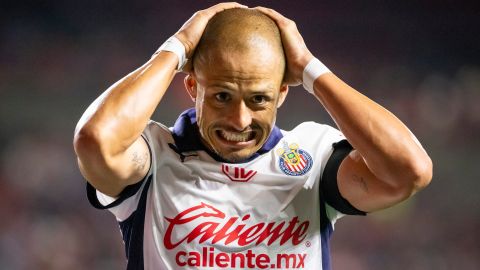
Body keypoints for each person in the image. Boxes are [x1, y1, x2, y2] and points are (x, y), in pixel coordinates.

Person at [73, 3, 432, 270]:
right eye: (222, 96)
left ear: (282, 93)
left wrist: (310, 68)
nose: (239, 120)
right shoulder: (154, 157)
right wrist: (178, 46)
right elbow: (95, 140)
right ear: (192, 87)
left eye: (258, 99)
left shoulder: (313, 157)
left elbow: (409, 170)